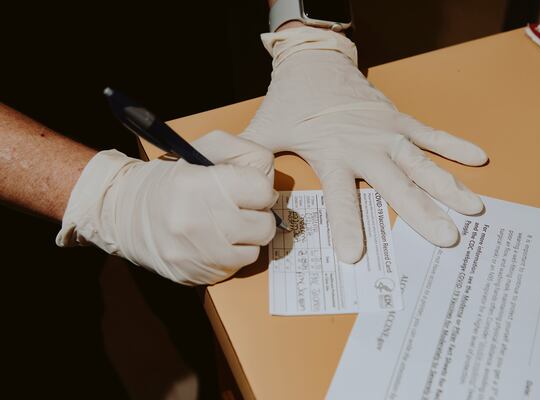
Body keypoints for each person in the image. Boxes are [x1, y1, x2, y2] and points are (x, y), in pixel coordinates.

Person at [1, 1, 487, 398]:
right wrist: (106, 198)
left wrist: (309, 33)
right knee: (50, 343)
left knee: (210, 291)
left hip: (173, 37)